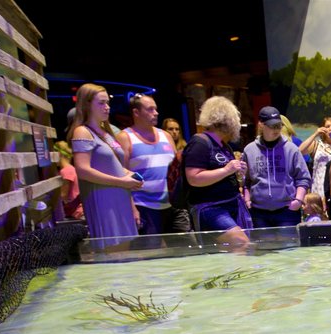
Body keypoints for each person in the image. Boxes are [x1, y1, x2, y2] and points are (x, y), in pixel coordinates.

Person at [68, 83, 142, 248]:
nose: (107, 107)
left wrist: (128, 175)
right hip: (104, 201)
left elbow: (114, 166)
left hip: (120, 198)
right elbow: (82, 170)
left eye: (107, 102)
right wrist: (122, 182)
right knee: (112, 256)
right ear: (86, 105)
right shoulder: (82, 131)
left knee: (125, 253)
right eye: (101, 103)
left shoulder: (106, 132)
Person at [182, 96, 250, 245]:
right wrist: (227, 170)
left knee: (228, 249)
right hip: (211, 208)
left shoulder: (224, 146)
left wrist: (237, 172)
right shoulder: (200, 142)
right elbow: (193, 178)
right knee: (241, 242)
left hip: (231, 204)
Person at [116, 94, 177, 235]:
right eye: (150, 109)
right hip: (144, 205)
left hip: (173, 205)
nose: (156, 113)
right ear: (136, 113)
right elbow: (120, 175)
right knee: (152, 253)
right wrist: (131, 208)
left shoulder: (166, 136)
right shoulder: (125, 137)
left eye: (155, 109)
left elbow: (176, 170)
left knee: (184, 249)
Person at [242, 106, 310, 228]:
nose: (277, 129)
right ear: (261, 125)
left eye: (279, 125)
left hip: (287, 211)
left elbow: (303, 178)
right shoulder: (249, 150)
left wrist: (298, 201)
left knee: (289, 247)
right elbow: (246, 181)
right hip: (259, 213)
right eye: (272, 126)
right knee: (263, 247)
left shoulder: (291, 149)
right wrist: (247, 201)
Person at [300, 116, 331, 202]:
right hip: (319, 186)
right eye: (327, 126)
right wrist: (315, 134)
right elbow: (300, 151)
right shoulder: (317, 144)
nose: (330, 129)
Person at [53, 141, 82, 220]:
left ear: (58, 154)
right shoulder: (72, 168)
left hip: (73, 213)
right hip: (76, 211)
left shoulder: (65, 171)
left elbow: (63, 195)